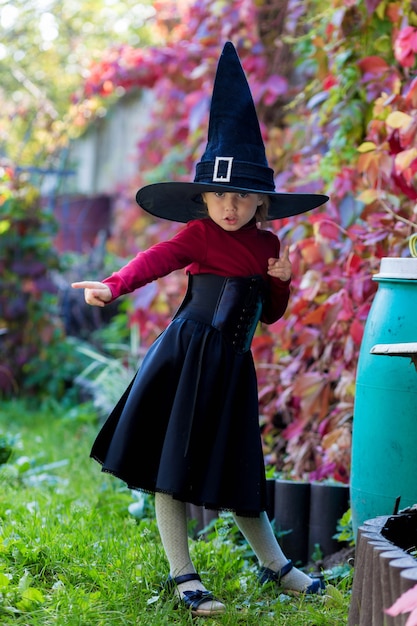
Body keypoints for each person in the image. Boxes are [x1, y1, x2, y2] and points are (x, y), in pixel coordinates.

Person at [72, 42, 328, 617]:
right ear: (203, 197)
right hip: (187, 357)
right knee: (175, 464)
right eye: (219, 194)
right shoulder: (197, 236)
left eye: (241, 196)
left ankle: (277, 567)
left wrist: (282, 282)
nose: (230, 207)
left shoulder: (268, 245)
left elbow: (273, 313)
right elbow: (154, 260)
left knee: (237, 466)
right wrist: (111, 286)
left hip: (234, 366)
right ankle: (183, 575)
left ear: (260, 202)